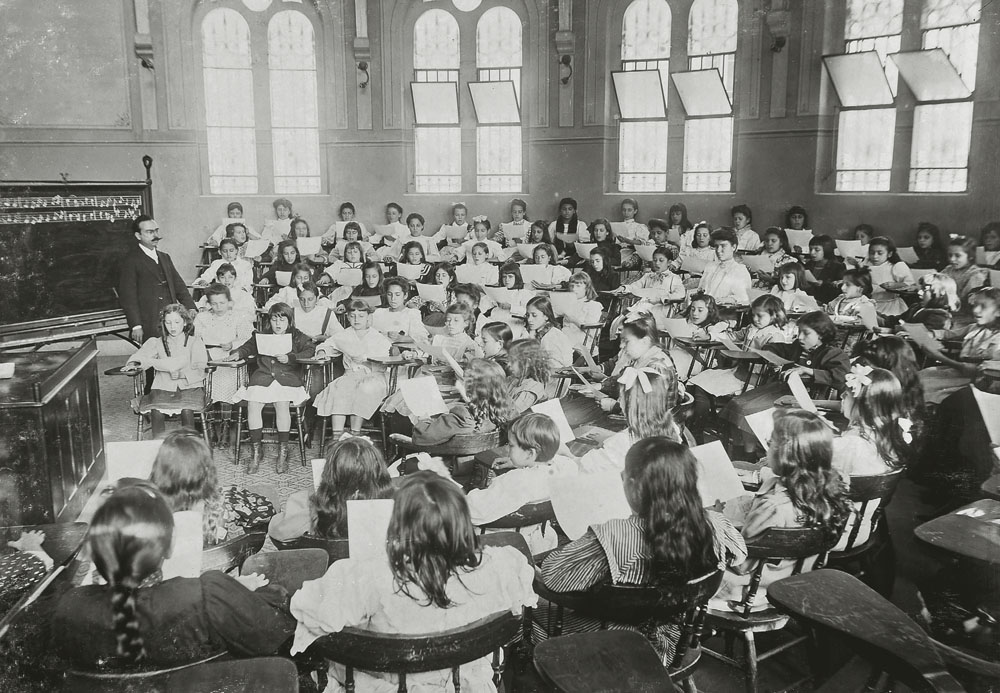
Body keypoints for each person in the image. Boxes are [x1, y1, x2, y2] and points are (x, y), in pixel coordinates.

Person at [289, 472, 536, 693]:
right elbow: (520, 593)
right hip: (464, 682)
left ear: (399, 524)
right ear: (461, 519)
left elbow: (310, 612)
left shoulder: (369, 575)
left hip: (389, 685)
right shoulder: (501, 566)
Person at [539, 438, 747, 660]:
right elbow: (739, 554)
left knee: (529, 612)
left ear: (631, 484)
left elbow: (552, 578)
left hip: (609, 648)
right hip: (674, 644)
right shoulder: (714, 524)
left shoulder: (611, 535)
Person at [51, 485, 295, 668]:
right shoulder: (208, 594)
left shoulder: (68, 606)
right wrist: (239, 593)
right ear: (168, 548)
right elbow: (275, 633)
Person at [711, 409, 850, 611]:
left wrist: (716, 518)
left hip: (751, 590)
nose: (767, 450)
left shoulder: (773, 507)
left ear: (785, 455)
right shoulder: (832, 489)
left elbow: (740, 563)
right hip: (796, 578)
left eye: (770, 443)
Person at [464, 413, 578, 554]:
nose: (507, 449)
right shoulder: (566, 469)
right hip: (538, 538)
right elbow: (562, 459)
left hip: (499, 542)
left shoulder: (516, 481)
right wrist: (520, 462)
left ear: (530, 454)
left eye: (511, 446)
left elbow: (473, 511)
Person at [226, 302, 316, 474]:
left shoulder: (296, 335)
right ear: (269, 321)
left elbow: (310, 349)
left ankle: (283, 452)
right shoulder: (261, 335)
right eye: (274, 320)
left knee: (281, 404)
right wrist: (237, 354)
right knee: (253, 404)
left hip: (286, 379)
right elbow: (247, 347)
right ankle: (256, 451)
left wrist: (291, 358)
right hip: (263, 377)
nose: (278, 324)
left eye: (282, 320)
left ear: (289, 321)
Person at [268, 437, 393, 543]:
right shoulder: (395, 506)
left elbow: (277, 531)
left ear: (329, 471)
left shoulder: (307, 507)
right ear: (380, 470)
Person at [314, 300, 394, 440]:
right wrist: (322, 351)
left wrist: (366, 359)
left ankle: (355, 433)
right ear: (347, 317)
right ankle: (337, 435)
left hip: (373, 376)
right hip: (351, 375)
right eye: (352, 316)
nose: (357, 320)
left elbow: (386, 359)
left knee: (364, 389)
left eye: (361, 316)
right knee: (339, 389)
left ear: (368, 317)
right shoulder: (344, 335)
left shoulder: (377, 337)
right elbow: (327, 345)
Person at [125, 304, 207, 438]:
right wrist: (134, 363)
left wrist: (182, 375)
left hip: (190, 388)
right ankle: (159, 444)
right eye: (168, 323)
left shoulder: (195, 342)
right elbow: (142, 356)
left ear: (185, 322)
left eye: (177, 322)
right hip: (162, 388)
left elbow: (201, 368)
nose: (173, 327)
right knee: (156, 411)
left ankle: (189, 444)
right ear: (163, 323)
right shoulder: (157, 342)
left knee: (187, 410)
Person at [578, 365, 681, 474]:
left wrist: (566, 454)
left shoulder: (621, 443)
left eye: (621, 396)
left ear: (629, 403)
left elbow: (583, 468)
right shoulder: (672, 428)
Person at [117, 215, 196, 350]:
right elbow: (128, 297)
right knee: (154, 355)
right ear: (138, 235)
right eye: (149, 232)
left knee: (176, 353)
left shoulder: (164, 257)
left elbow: (179, 285)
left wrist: (190, 307)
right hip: (149, 321)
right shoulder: (130, 261)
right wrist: (136, 325)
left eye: (156, 231)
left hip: (171, 319)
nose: (155, 235)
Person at [193, 284, 253, 447]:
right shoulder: (202, 318)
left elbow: (248, 339)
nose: (218, 307)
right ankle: (211, 425)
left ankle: (226, 426)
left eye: (222, 303)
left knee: (227, 382)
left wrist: (233, 344)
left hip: (230, 358)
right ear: (208, 303)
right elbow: (196, 340)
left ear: (229, 302)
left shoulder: (238, 317)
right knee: (207, 386)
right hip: (208, 356)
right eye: (214, 303)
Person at [411, 359, 514, 446]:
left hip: (451, 462)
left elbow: (420, 437)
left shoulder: (462, 416)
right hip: (485, 461)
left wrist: (424, 419)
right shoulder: (506, 411)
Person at [697, 227, 752, 305]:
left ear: (733, 247)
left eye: (723, 246)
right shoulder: (710, 266)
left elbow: (744, 297)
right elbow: (701, 290)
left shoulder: (739, 270)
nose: (718, 250)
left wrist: (726, 300)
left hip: (723, 309)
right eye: (716, 246)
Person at [862, 236, 914, 317]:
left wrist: (895, 285)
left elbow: (911, 284)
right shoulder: (865, 265)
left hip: (890, 306)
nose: (875, 256)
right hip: (870, 304)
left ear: (889, 254)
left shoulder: (895, 266)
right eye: (872, 253)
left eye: (880, 253)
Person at [373, 277, 429, 342]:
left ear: (405, 295)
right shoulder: (379, 312)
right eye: (389, 294)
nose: (393, 298)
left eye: (397, 295)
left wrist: (402, 338)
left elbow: (421, 337)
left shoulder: (412, 314)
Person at [525, 296, 574, 369]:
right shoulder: (539, 332)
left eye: (534, 315)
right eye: (527, 315)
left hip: (556, 373)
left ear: (546, 316)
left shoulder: (552, 337)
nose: (529, 319)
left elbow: (557, 366)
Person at [507, 338, 552, 411]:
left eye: (512, 361)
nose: (508, 364)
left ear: (527, 362)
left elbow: (510, 414)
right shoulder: (512, 379)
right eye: (508, 360)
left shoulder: (532, 388)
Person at [560, 272, 604, 347]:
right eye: (572, 286)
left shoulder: (593, 305)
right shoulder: (569, 304)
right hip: (566, 336)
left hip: (582, 341)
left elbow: (592, 332)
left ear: (587, 288)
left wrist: (574, 320)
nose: (574, 289)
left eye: (578, 286)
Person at [804, 234, 846, 305]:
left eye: (817, 250)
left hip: (827, 302)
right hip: (808, 301)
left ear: (826, 250)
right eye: (810, 249)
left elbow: (840, 288)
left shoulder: (838, 267)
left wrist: (824, 283)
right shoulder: (808, 265)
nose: (812, 253)